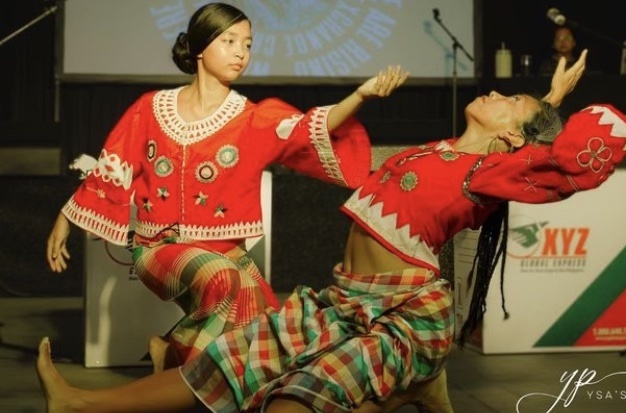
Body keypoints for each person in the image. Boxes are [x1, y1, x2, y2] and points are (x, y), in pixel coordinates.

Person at [36, 28, 626, 413]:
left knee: (291, 401)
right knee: (229, 357)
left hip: (403, 316)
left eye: (504, 98)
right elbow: (532, 136)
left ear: (513, 138)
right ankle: (79, 405)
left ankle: (418, 377)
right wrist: (542, 98)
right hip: (345, 298)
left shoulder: (490, 170)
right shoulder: (447, 149)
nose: (488, 90)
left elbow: (569, 160)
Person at [45, 2, 408, 371]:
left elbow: (308, 127)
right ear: (201, 48)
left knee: (271, 334)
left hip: (226, 253)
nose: (241, 52)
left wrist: (360, 96)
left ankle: (174, 359)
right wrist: (66, 217)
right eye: (230, 40)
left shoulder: (253, 118)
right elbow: (114, 163)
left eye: (248, 44)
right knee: (224, 280)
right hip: (160, 248)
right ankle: (172, 357)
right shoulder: (150, 108)